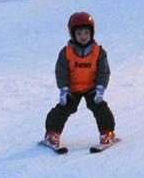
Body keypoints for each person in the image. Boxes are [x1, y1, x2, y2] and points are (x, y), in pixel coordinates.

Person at [42, 12, 117, 150]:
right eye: (79, 33)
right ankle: (52, 134)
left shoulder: (99, 52)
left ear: (91, 33)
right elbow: (61, 71)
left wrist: (100, 88)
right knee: (63, 109)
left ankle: (107, 133)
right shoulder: (66, 52)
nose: (83, 36)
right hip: (72, 88)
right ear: (73, 34)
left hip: (92, 87)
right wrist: (64, 89)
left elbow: (103, 71)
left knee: (100, 108)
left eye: (86, 32)